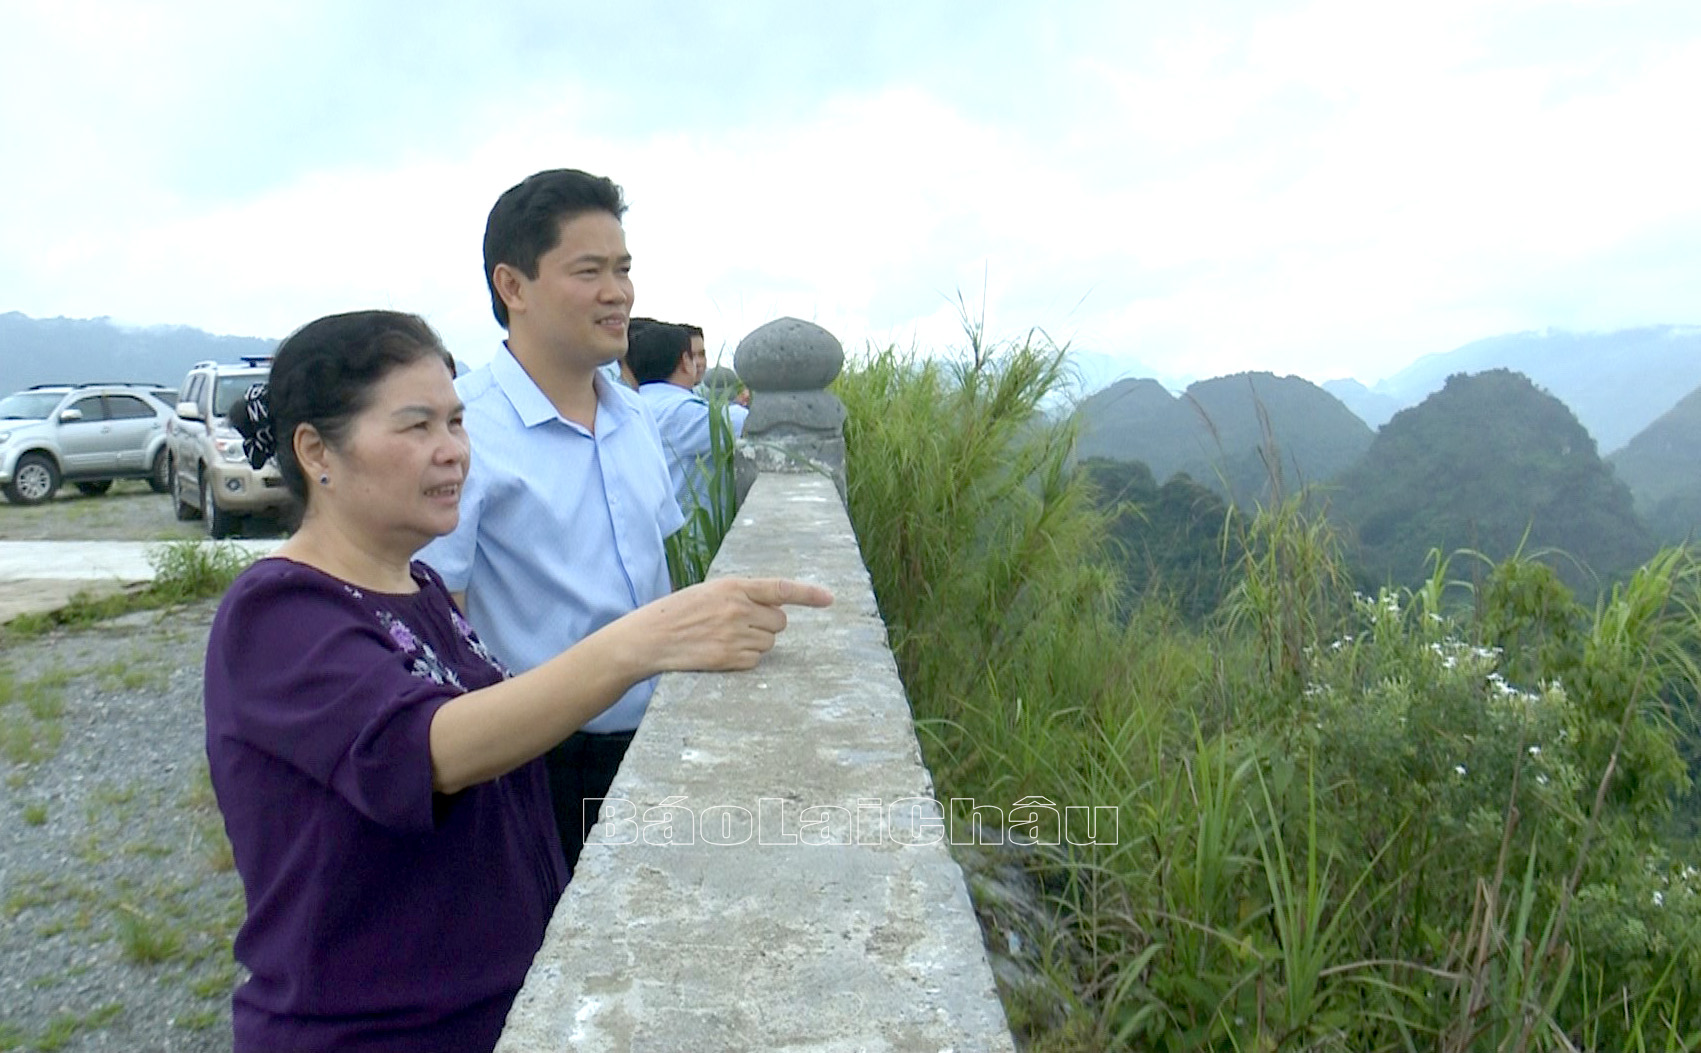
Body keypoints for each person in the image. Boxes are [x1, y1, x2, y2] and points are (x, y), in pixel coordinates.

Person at [205, 308, 829, 1053]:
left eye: (457, 422)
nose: (453, 453)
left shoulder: (423, 591)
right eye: (416, 428)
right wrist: (640, 643)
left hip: (498, 1008)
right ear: (317, 451)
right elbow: (431, 749)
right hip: (374, 1029)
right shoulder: (278, 610)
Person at [417, 169, 679, 869]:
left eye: (622, 269)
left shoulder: (634, 416)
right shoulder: (465, 431)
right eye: (588, 270)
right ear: (513, 286)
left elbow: (660, 572)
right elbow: (442, 621)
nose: (617, 292)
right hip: (541, 765)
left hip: (662, 741)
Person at [626, 319, 749, 516]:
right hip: (687, 536)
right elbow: (752, 422)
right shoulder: (681, 411)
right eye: (693, 356)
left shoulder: (636, 403)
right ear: (685, 361)